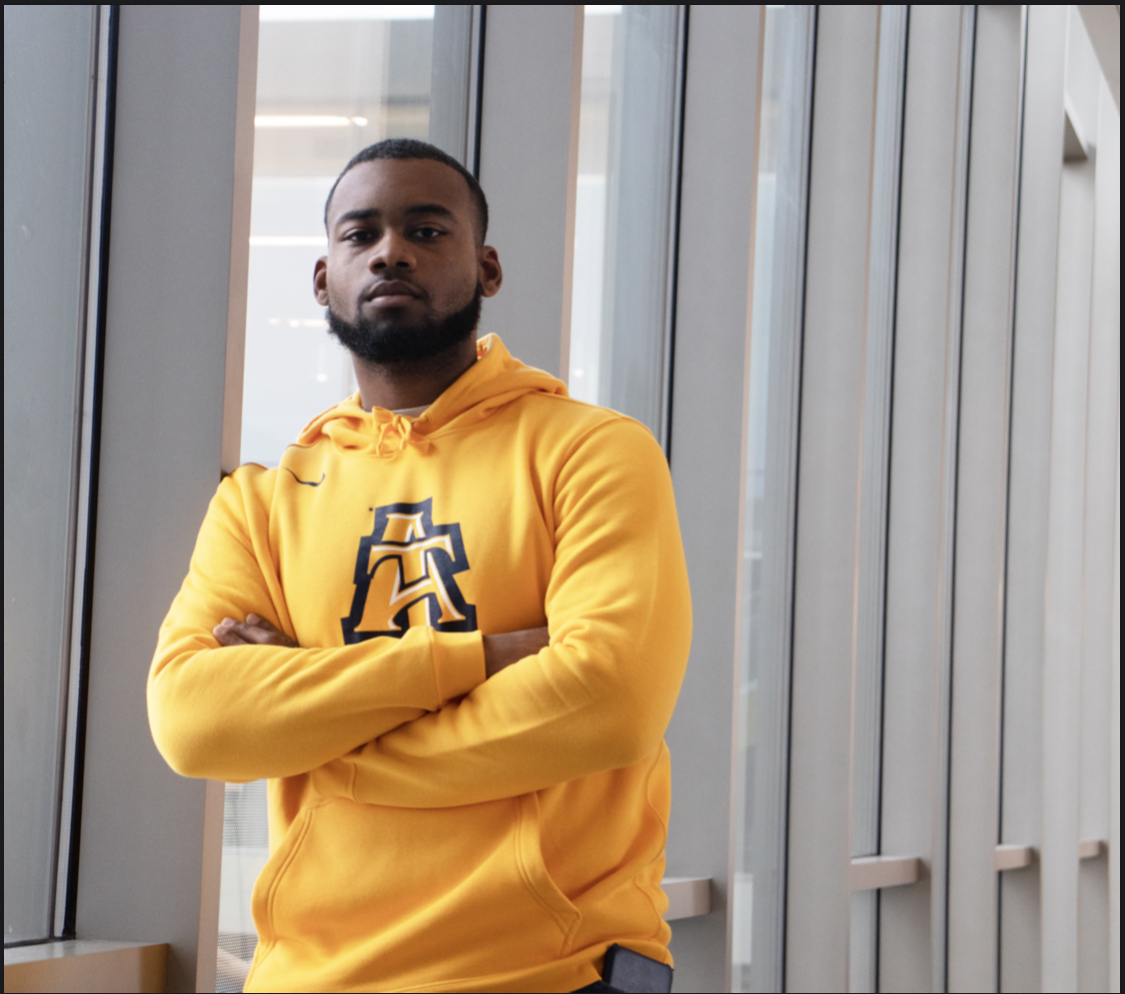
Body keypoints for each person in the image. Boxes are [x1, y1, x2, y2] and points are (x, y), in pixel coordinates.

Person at [147, 138, 692, 994]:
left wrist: (317, 722)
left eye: (427, 230)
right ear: (323, 278)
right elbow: (193, 722)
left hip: (547, 972)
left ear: (487, 267)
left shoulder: (591, 452)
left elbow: (608, 704)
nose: (391, 250)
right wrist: (481, 660)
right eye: (359, 233)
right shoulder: (261, 501)